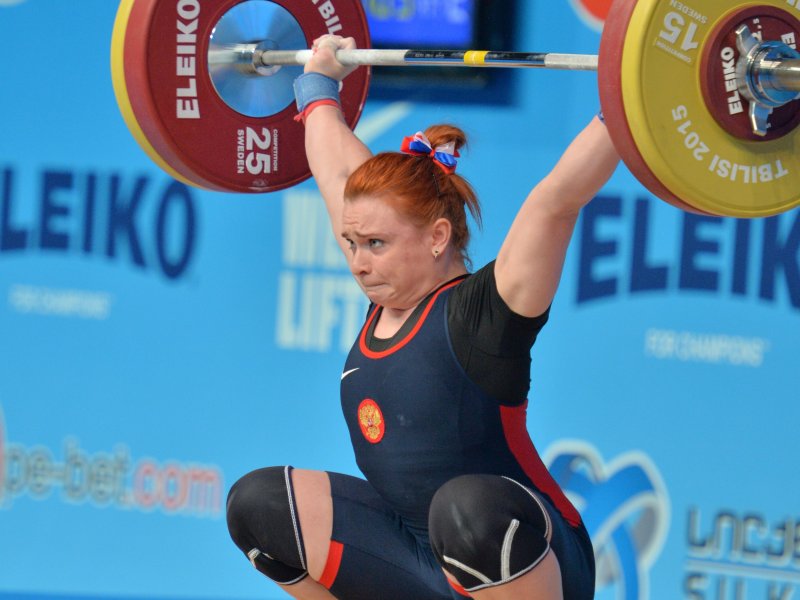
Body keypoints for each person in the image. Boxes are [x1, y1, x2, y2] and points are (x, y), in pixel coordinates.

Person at [226, 34, 620, 600]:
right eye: (352, 243)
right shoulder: (382, 292)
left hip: (525, 553)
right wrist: (317, 86)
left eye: (376, 244)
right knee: (259, 505)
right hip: (417, 558)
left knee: (464, 509)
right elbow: (336, 176)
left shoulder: (486, 313)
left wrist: (624, 109)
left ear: (437, 238)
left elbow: (556, 201)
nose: (358, 262)